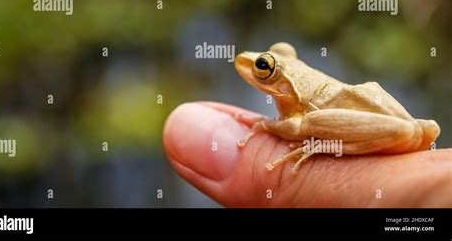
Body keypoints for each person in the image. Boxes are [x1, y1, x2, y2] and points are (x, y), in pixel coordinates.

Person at [163, 102, 452, 207]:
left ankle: (324, 145)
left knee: (309, 126)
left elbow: (296, 126)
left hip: (374, 126)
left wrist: (266, 125)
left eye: (264, 67)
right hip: (407, 124)